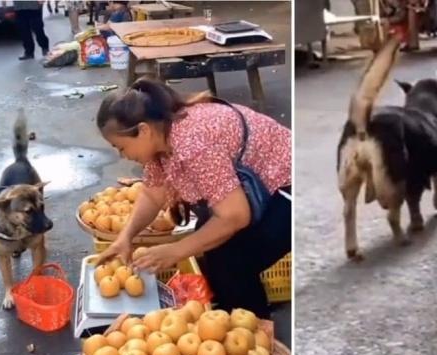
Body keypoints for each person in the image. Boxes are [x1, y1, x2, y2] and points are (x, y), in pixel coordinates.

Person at [95, 78, 291, 318]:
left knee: (233, 260)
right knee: (212, 244)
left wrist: (176, 251)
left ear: (143, 130)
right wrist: (125, 237)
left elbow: (235, 216)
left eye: (121, 147)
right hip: (256, 189)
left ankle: (255, 329)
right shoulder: (161, 136)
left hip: (287, 184)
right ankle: (232, 311)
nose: (122, 156)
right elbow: (153, 193)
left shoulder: (192, 142)